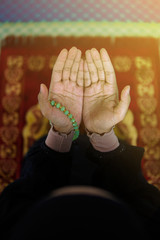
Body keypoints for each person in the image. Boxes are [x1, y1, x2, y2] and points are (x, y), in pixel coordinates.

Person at [0, 47, 160, 239]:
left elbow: (17, 201)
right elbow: (144, 201)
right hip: (115, 191)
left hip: (44, 190)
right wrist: (102, 134)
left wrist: (61, 133)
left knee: (38, 153)